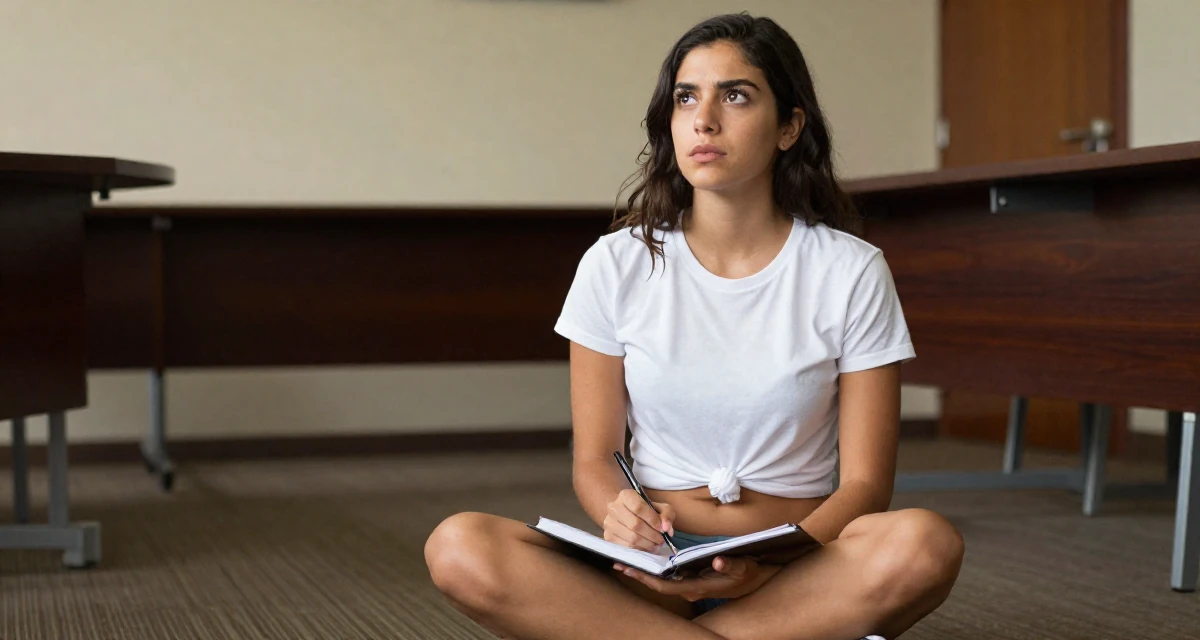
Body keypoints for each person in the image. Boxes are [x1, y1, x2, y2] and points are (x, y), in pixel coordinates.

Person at [425, 12, 964, 640]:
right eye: (686, 98)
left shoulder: (851, 270)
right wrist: (620, 514)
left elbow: (867, 484)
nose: (704, 120)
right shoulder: (614, 263)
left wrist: (765, 568)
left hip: (794, 572)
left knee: (925, 543)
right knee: (459, 545)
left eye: (736, 96)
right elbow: (596, 459)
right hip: (651, 570)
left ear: (789, 127)